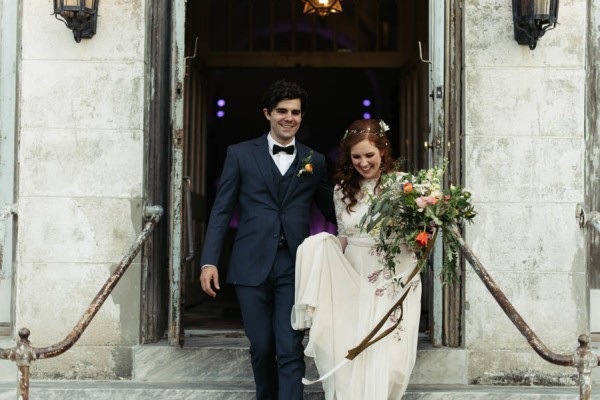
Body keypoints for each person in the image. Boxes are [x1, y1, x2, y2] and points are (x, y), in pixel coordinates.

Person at [199, 79, 335, 400]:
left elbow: (333, 209)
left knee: (289, 346)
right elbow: (221, 211)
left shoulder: (314, 161)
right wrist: (209, 260)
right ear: (267, 114)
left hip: (294, 265)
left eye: (296, 112)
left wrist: (373, 205)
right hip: (250, 264)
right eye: (282, 111)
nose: (289, 117)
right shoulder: (240, 154)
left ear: (302, 117)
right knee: (261, 347)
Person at [292, 118, 422, 399]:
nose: (363, 162)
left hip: (396, 276)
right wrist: (318, 251)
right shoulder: (342, 190)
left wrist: (427, 229)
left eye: (369, 155)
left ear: (383, 152)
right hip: (354, 275)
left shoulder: (404, 186)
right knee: (355, 352)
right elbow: (345, 235)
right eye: (356, 157)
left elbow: (417, 233)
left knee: (393, 361)